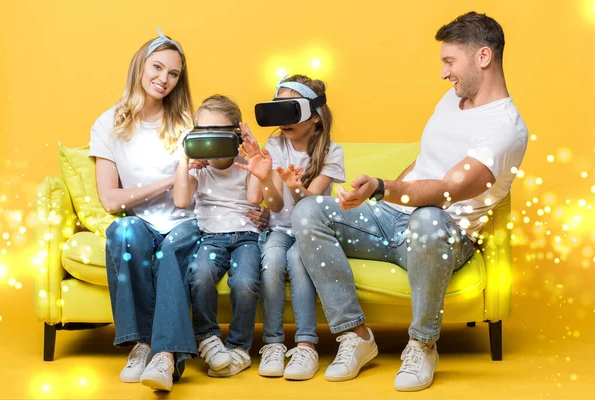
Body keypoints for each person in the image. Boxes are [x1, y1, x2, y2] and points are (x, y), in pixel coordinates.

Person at [291, 11, 528, 391]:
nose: (443, 72)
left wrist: (380, 186)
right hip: (390, 221)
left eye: (450, 61)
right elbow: (425, 162)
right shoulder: (452, 100)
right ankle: (356, 336)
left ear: (482, 57)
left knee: (429, 218)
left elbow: (448, 189)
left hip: (442, 235)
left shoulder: (505, 129)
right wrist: (377, 201)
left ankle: (422, 344)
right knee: (308, 212)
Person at [90, 28, 200, 391]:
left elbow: (197, 190)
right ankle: (141, 344)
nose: (164, 79)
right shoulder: (108, 124)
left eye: (173, 74)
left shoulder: (187, 124)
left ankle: (166, 355)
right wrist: (167, 181)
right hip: (143, 221)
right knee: (122, 232)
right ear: (140, 66)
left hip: (187, 221)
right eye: (157, 67)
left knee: (171, 250)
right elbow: (110, 200)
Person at [237, 74, 345, 380]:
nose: (282, 119)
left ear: (314, 117)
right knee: (271, 260)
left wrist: (296, 187)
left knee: (299, 261)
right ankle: (272, 343)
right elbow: (272, 206)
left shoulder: (330, 153)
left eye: (291, 109)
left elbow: (310, 207)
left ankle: (306, 345)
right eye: (278, 108)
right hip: (278, 229)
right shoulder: (274, 145)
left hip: (312, 234)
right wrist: (263, 174)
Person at [174, 95, 264, 378]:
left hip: (246, 237)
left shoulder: (243, 164)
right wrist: (185, 159)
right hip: (211, 238)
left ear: (235, 134)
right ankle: (208, 338)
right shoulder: (200, 170)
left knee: (246, 282)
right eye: (203, 132)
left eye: (219, 133)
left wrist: (255, 157)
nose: (211, 140)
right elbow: (180, 200)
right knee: (199, 274)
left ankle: (239, 346)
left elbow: (254, 197)